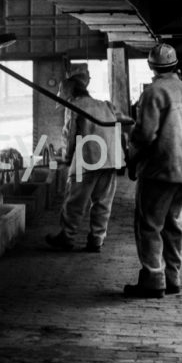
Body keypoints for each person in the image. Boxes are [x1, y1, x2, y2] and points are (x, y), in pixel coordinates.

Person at [124, 43, 182, 298]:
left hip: (159, 168)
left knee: (149, 224)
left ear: (151, 66)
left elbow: (144, 135)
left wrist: (132, 158)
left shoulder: (154, 92)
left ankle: (153, 278)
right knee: (173, 223)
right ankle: (173, 276)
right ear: (175, 64)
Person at [46, 74, 129, 252]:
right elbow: (125, 120)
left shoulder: (74, 105)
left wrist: (67, 158)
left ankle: (67, 237)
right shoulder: (105, 105)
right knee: (103, 202)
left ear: (69, 92)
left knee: (74, 202)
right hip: (111, 160)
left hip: (88, 159)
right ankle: (97, 239)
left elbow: (70, 135)